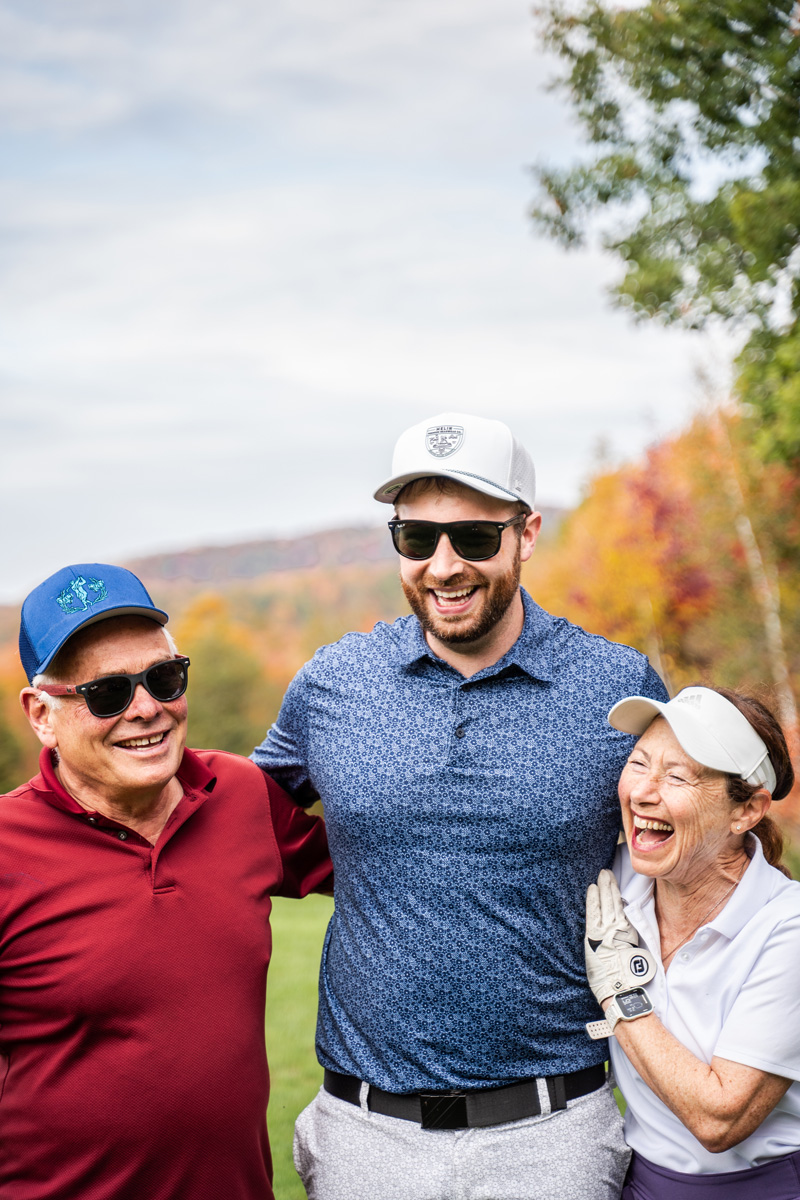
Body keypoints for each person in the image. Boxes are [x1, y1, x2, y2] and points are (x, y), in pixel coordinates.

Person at [252, 411, 669, 1200]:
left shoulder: (617, 687)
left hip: (555, 1135)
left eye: (473, 538)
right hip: (365, 1139)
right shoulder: (333, 683)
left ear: (527, 533)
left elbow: (697, 847)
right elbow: (230, 817)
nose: (443, 566)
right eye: (416, 539)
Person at [2, 562, 332, 1200]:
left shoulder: (240, 796)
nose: (146, 709)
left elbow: (395, 865)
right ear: (41, 713)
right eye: (107, 693)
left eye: (163, 677)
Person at [584, 685, 800, 1199]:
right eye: (639, 763)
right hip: (640, 1184)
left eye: (677, 776)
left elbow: (719, 1119)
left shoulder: (786, 928)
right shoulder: (617, 884)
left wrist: (620, 995)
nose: (642, 791)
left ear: (746, 811)